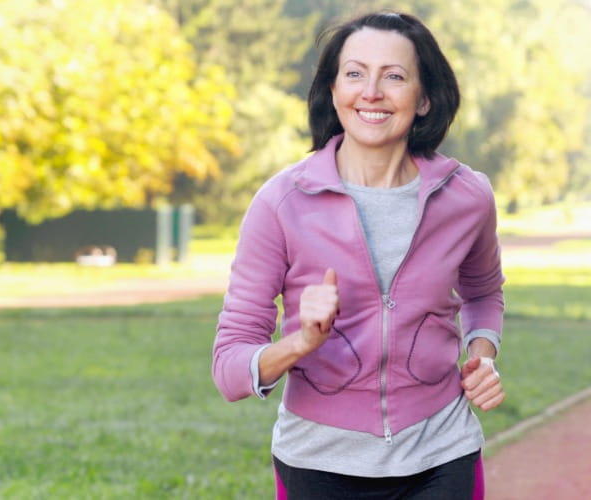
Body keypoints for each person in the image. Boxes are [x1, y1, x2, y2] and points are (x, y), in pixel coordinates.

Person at [212, 11, 505, 499]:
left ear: (425, 97)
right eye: (354, 74)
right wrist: (301, 342)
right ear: (333, 91)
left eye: (394, 76)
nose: (371, 92)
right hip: (318, 463)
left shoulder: (467, 196)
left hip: (441, 454)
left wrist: (482, 356)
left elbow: (484, 291)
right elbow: (229, 369)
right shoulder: (282, 203)